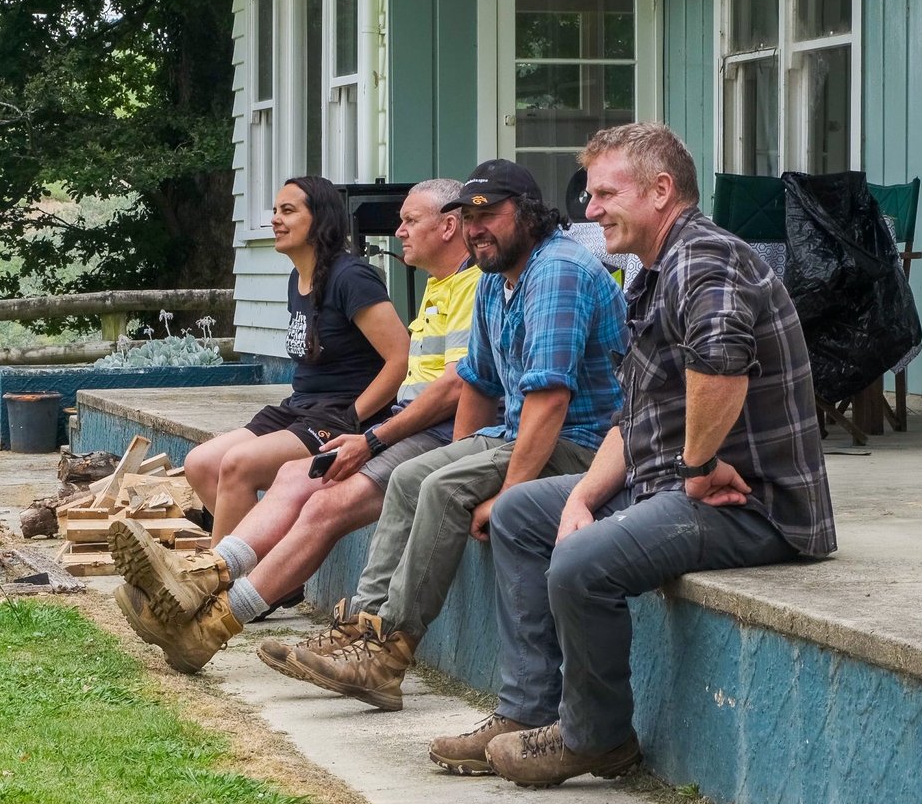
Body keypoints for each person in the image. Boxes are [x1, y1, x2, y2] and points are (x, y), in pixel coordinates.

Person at [428, 122, 837, 788]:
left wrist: (700, 469)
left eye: (603, 194)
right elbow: (633, 416)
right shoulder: (651, 274)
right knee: (523, 514)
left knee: (583, 563)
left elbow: (722, 364)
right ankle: (526, 710)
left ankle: (598, 738)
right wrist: (584, 498)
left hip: (754, 504)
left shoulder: (708, 259)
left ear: (661, 190)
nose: (588, 211)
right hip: (672, 483)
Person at [270, 158, 628, 712]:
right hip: (519, 432)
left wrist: (508, 495)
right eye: (468, 215)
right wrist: (457, 456)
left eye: (490, 213)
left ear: (529, 214)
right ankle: (366, 626)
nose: (476, 226)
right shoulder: (495, 281)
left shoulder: (558, 271)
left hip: (587, 444)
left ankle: (388, 653)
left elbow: (550, 400)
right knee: (415, 475)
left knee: (441, 487)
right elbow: (480, 384)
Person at [109, 179, 481, 673]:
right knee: (275, 475)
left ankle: (211, 605)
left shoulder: (457, 284)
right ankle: (206, 584)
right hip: (372, 419)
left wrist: (364, 430)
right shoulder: (439, 286)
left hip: (383, 423)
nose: (398, 231)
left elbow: (443, 383)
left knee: (287, 484)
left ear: (449, 225)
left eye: (410, 221)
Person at [182, 175, 409, 546]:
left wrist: (352, 418)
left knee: (239, 465)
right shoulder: (298, 278)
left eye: (288, 210)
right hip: (301, 408)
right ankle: (269, 571)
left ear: (319, 220)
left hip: (340, 414)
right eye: (274, 211)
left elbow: (400, 359)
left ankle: (217, 584)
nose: (275, 219)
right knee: (201, 463)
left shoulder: (352, 277)